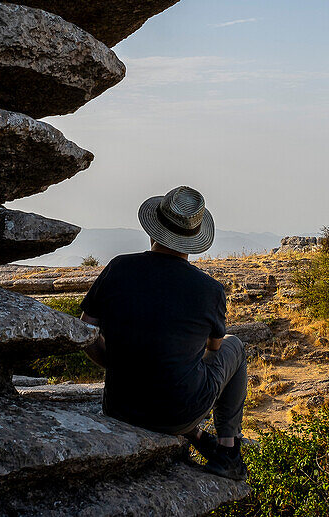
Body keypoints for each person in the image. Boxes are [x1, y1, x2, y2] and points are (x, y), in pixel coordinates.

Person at [79, 186, 248, 480]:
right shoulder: (209, 289)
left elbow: (85, 330)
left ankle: (195, 436)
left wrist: (117, 363)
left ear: (152, 230)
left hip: (119, 407)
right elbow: (215, 349)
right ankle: (227, 452)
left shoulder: (119, 267)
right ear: (194, 240)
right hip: (177, 413)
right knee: (236, 347)